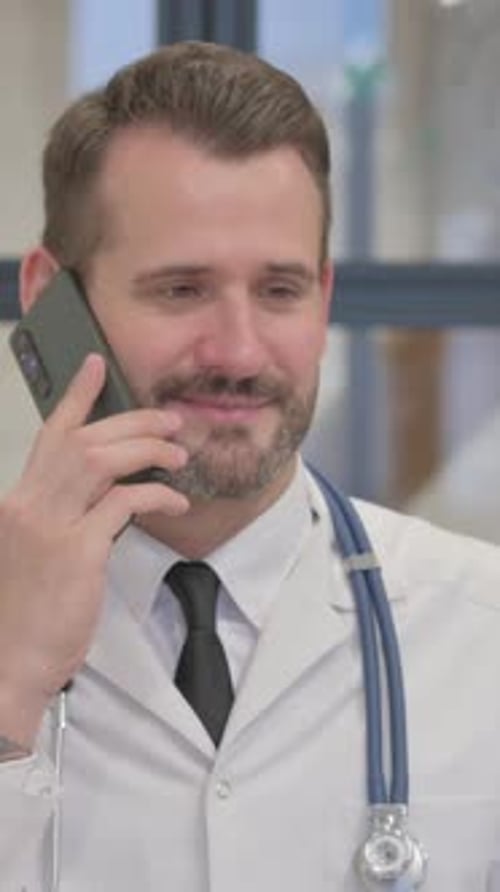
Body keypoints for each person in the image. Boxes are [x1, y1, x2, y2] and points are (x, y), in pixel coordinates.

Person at [0, 40, 499, 892]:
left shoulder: (482, 626)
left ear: (326, 295)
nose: (237, 352)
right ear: (53, 299)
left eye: (279, 290)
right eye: (181, 289)